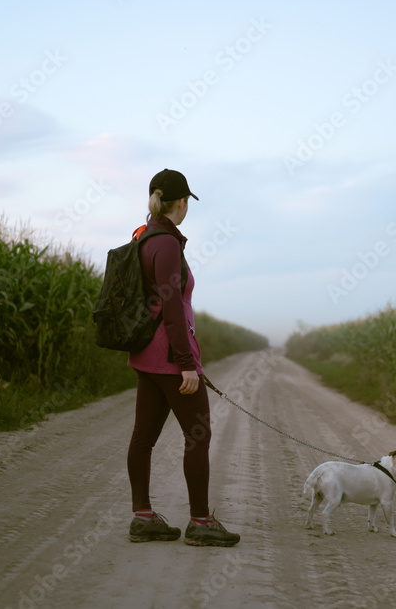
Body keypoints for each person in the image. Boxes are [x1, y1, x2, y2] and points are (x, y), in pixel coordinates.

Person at [126, 168, 240, 547]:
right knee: (199, 434)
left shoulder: (143, 237)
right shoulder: (168, 244)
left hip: (146, 353)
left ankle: (143, 517)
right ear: (181, 202)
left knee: (143, 438)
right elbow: (172, 306)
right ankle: (201, 522)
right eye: (187, 200)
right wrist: (187, 364)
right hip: (170, 357)